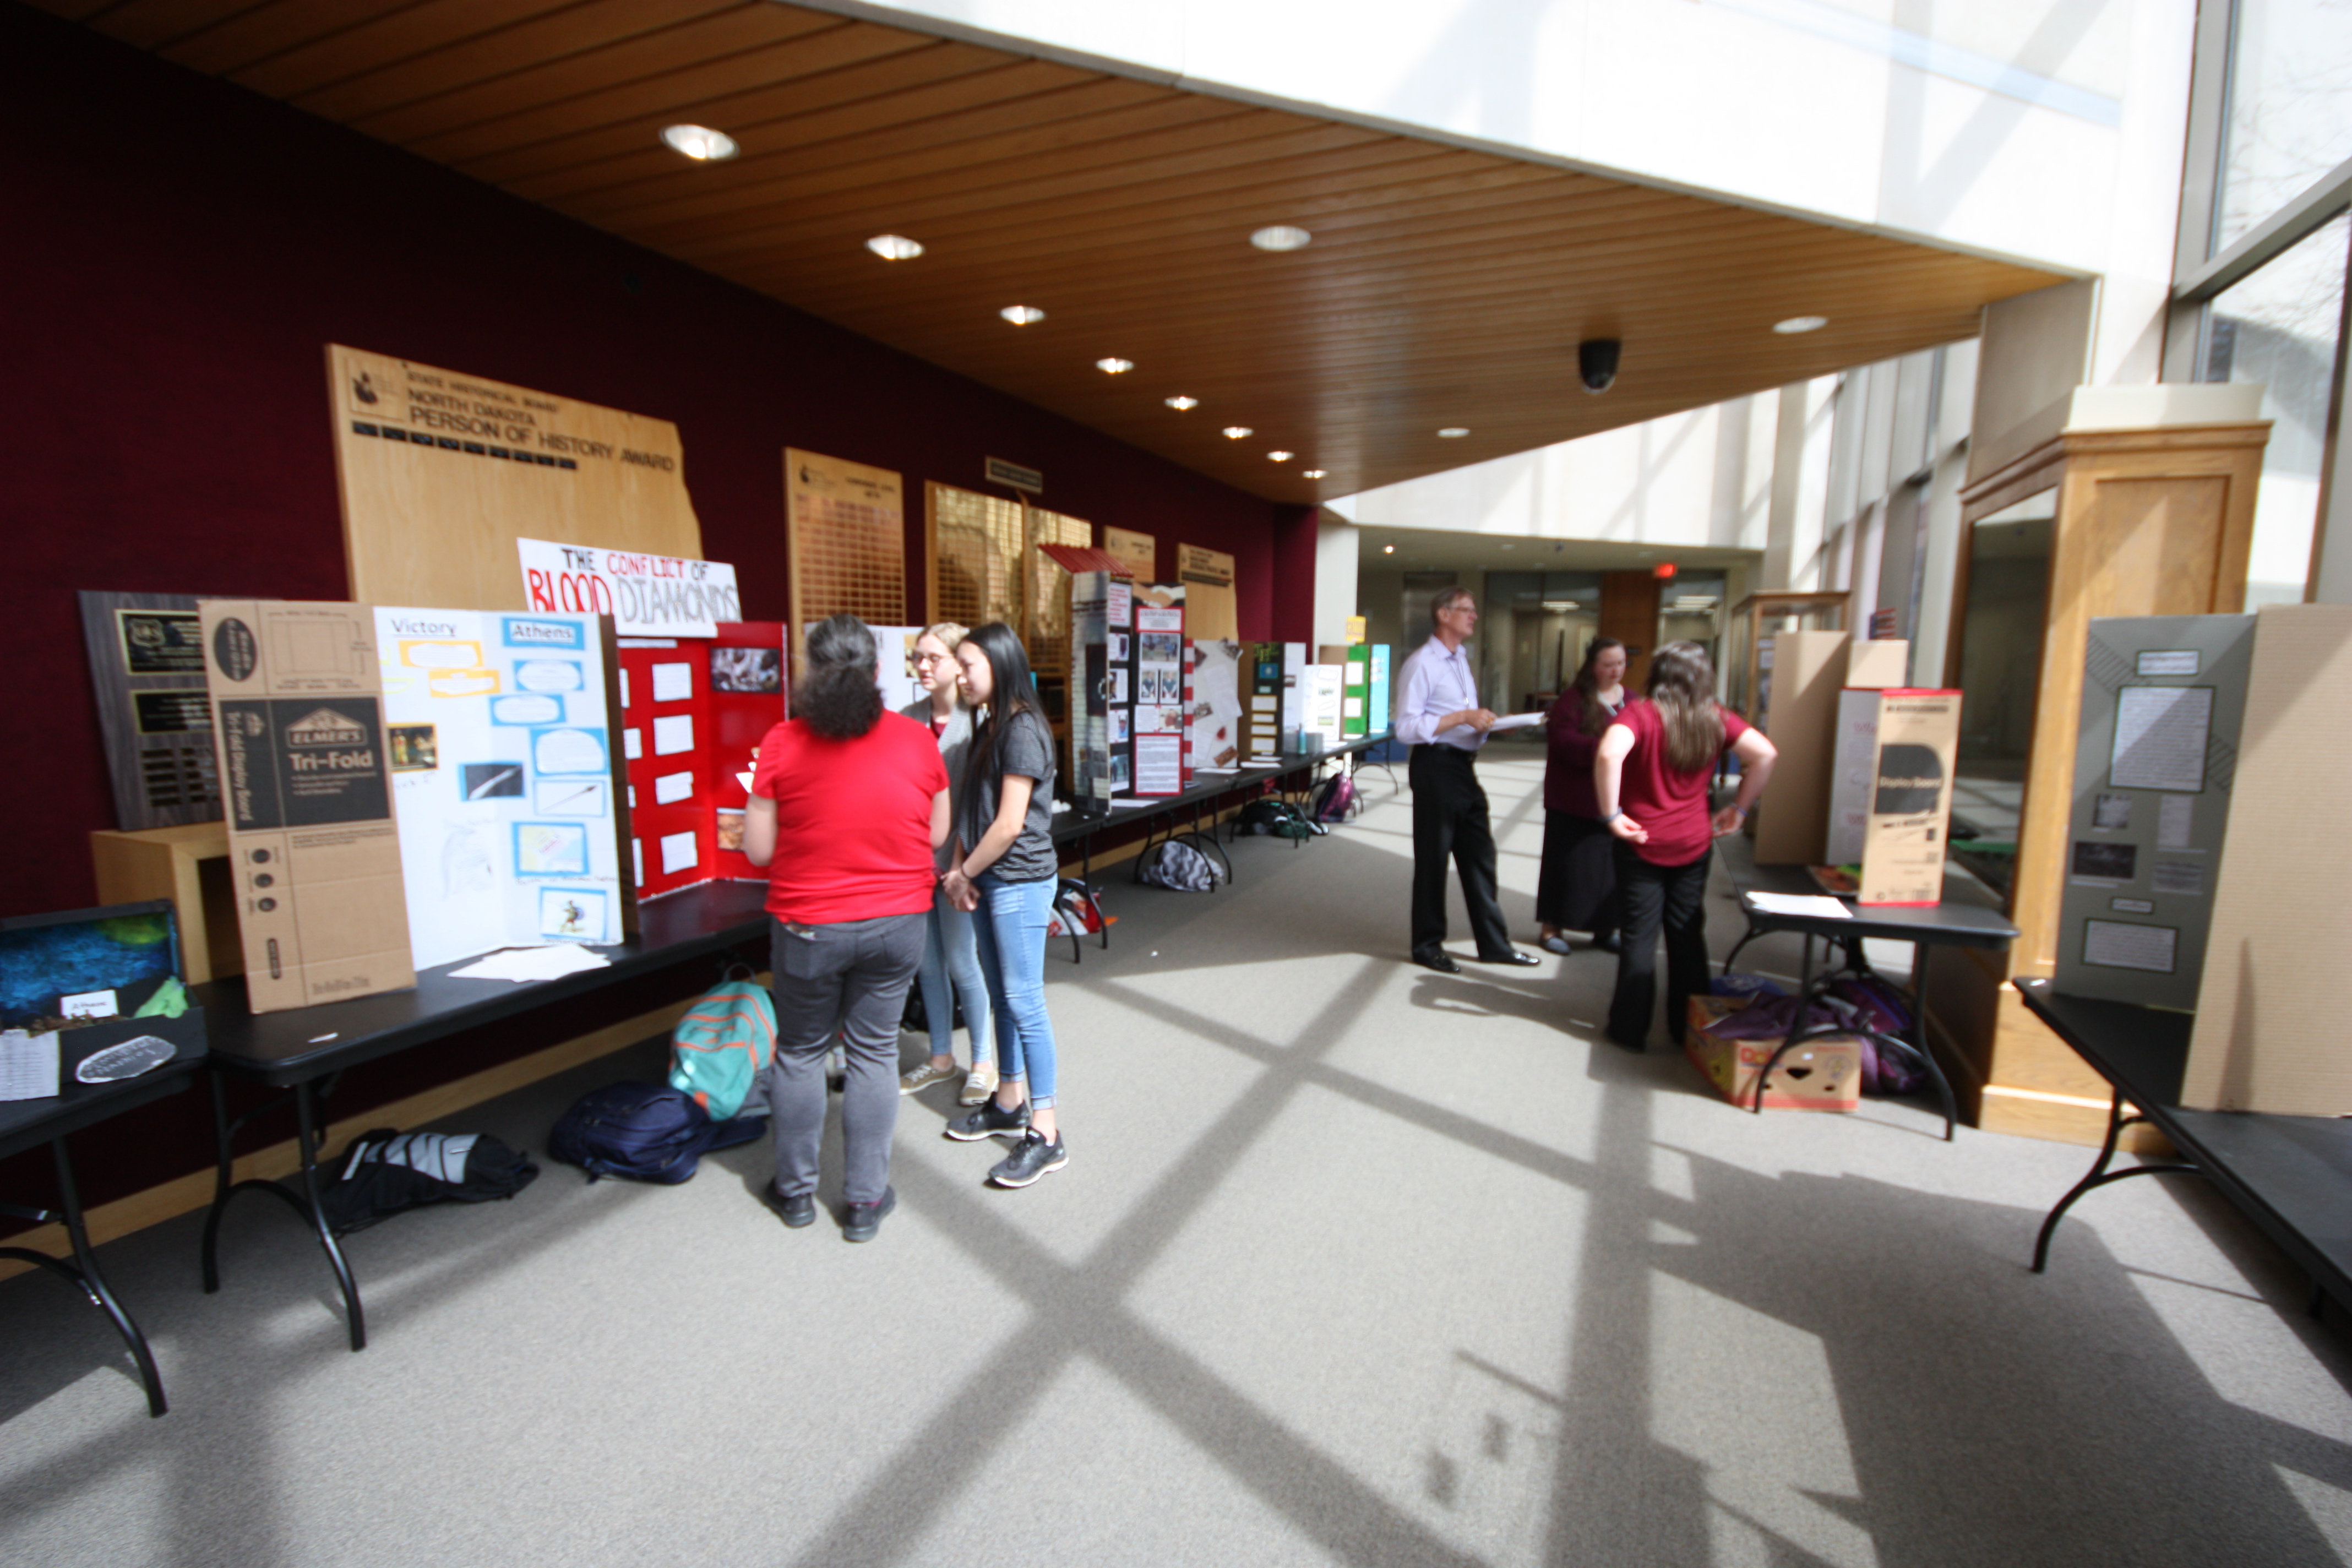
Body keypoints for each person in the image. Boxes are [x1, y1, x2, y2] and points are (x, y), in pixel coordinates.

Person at [742, 614, 950, 1242]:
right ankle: (863, 1202)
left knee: (802, 1051)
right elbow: (937, 835)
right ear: (878, 671)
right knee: (874, 1052)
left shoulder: (782, 741)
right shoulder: (917, 741)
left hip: (808, 925)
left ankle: (797, 1193)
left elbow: (757, 850)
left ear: (811, 670)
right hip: (896, 923)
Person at [1592, 640, 1777, 1051]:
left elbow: (1608, 755)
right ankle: (1687, 1026)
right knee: (1687, 932)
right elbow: (1766, 755)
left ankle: (1629, 1029)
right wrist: (1741, 810)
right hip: (1694, 842)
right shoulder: (1715, 718)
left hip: (1641, 840)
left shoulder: (1639, 714)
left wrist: (1611, 815)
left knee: (1639, 936)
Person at [939, 623, 1069, 1188]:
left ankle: (1046, 1130)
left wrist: (963, 872)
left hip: (1019, 881)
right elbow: (978, 806)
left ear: (1000, 663)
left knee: (1024, 999)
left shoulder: (1022, 729)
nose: (960, 676)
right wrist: (962, 872)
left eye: (969, 665)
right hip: (991, 879)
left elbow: (1011, 823)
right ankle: (1009, 1098)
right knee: (1001, 997)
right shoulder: (991, 724)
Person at [1395, 586, 1538, 974]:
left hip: (1462, 768)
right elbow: (1406, 728)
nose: (1474, 616)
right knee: (1434, 860)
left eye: (1474, 611)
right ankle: (1427, 945)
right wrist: (1461, 718)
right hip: (1434, 767)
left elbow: (1464, 718)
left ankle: (1494, 944)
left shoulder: (1460, 660)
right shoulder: (1422, 663)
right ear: (1444, 614)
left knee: (1480, 857)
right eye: (1467, 610)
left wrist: (1490, 727)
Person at [894, 623, 998, 1107]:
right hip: (913, 864)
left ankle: (982, 1063)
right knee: (927, 965)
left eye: (934, 657)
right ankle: (940, 1058)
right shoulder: (903, 721)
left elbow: (980, 804)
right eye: (919, 657)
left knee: (962, 961)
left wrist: (963, 869)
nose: (924, 666)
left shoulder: (978, 722)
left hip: (959, 866)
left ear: (960, 663)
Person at [1536, 637, 1629, 956]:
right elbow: (1563, 742)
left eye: (1620, 663)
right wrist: (1606, 750)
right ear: (1593, 667)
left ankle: (1604, 928)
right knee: (1566, 865)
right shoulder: (1572, 701)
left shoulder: (1631, 700)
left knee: (1608, 868)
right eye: (1608, 664)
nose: (1616, 670)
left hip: (1614, 799)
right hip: (1573, 799)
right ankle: (1552, 928)